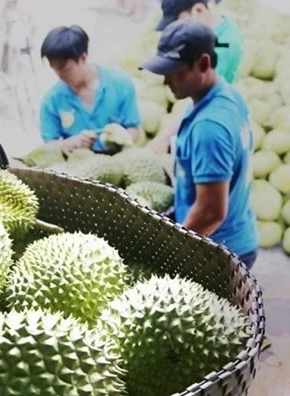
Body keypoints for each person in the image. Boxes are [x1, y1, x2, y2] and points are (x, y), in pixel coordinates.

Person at [139, 19, 259, 270]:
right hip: (238, 233)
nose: (166, 82)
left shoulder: (209, 128)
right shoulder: (227, 94)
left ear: (203, 63)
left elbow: (210, 213)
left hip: (218, 251)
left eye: (174, 72)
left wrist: (170, 253)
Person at [147, 0, 244, 154]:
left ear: (198, 10)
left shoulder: (223, 49)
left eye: (179, 22)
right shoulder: (219, 26)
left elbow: (198, 100)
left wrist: (164, 137)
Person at [38, 25, 143, 155]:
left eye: (65, 69)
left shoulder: (120, 83)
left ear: (83, 57)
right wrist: (70, 144)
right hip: (74, 166)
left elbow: (134, 129)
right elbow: (48, 147)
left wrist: (117, 138)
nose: (60, 75)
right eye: (55, 69)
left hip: (116, 160)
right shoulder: (51, 100)